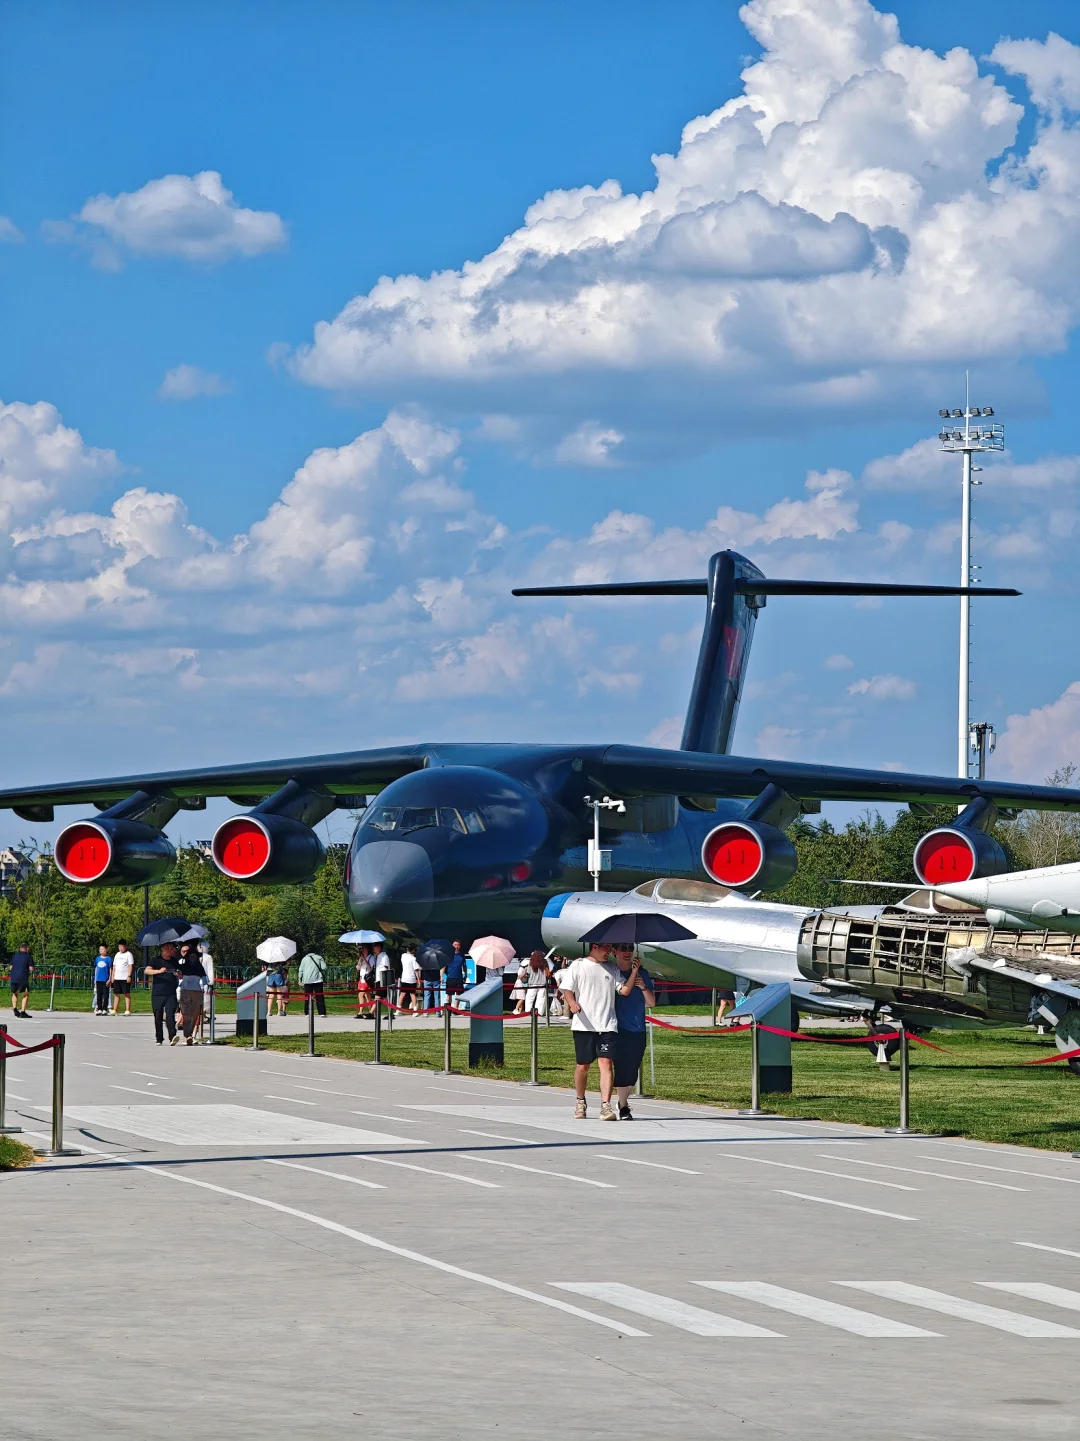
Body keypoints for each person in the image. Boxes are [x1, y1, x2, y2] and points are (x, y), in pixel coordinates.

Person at [560, 943, 619, 1121]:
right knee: (583, 1066)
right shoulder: (578, 965)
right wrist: (572, 1003)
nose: (609, 951)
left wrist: (634, 973)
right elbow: (567, 989)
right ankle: (580, 1101)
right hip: (584, 1024)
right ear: (594, 946)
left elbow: (622, 989)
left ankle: (606, 1106)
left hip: (607, 1024)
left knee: (606, 1063)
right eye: (606, 947)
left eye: (611, 947)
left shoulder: (611, 968)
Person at [612, 943, 655, 1120]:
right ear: (615, 951)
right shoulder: (612, 973)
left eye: (630, 948)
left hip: (638, 1028)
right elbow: (623, 993)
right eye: (623, 948)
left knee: (633, 1070)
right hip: (618, 1027)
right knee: (622, 1068)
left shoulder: (643, 974)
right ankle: (623, 1106)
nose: (627, 952)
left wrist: (643, 986)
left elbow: (652, 1003)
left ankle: (622, 1101)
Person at [145, 944, 181, 1045]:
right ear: (162, 949)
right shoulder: (155, 960)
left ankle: (172, 1036)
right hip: (158, 992)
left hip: (170, 993)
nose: (170, 951)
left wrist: (178, 974)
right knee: (158, 1015)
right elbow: (147, 970)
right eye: (168, 949)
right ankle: (159, 1038)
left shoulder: (174, 961)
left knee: (170, 1015)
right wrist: (158, 971)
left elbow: (180, 972)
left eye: (171, 949)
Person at [178, 949, 208, 1045]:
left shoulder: (199, 967)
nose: (193, 957)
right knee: (186, 1014)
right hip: (185, 991)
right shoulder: (183, 965)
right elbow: (178, 975)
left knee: (194, 1014)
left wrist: (206, 986)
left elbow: (204, 977)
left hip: (197, 992)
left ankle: (189, 1034)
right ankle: (187, 1035)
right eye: (191, 955)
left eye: (194, 956)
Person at [519, 951, 550, 1016]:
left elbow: (528, 973)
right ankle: (539, 1012)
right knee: (541, 999)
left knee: (529, 998)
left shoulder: (531, 962)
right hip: (542, 983)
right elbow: (548, 973)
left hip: (532, 983)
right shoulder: (544, 962)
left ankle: (528, 1012)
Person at [298, 951, 327, 1016]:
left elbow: (301, 970)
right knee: (319, 996)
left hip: (307, 980)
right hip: (317, 980)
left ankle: (307, 1013)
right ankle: (322, 1013)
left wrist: (299, 978)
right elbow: (324, 967)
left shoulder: (304, 959)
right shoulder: (319, 957)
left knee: (307, 997)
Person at [110, 941, 135, 1015]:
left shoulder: (128, 954)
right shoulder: (117, 954)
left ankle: (127, 1010)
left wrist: (129, 976)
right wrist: (112, 976)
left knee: (126, 993)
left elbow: (130, 965)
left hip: (125, 977)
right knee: (116, 994)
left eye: (122, 946)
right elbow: (114, 966)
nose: (120, 948)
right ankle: (115, 1010)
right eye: (119, 947)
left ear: (125, 946)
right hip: (117, 977)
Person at [9, 943, 32, 1018]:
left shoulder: (15, 956)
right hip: (23, 977)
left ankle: (15, 1009)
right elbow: (31, 968)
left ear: (20, 949)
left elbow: (11, 967)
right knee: (26, 993)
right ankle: (23, 1012)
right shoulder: (28, 956)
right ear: (26, 948)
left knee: (15, 993)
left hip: (14, 977)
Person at [442, 942, 467, 1007]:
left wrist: (466, 975)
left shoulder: (462, 955)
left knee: (459, 994)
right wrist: (441, 976)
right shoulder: (448, 955)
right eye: (455, 945)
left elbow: (464, 966)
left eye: (458, 945)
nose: (456, 946)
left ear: (460, 946)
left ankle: (455, 1009)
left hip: (459, 978)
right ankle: (448, 1009)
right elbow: (443, 966)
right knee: (449, 994)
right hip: (450, 978)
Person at [398, 947, 420, 1014]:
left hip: (404, 978)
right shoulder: (413, 959)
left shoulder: (403, 955)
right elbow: (416, 970)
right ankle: (415, 1011)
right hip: (411, 978)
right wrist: (418, 980)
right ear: (413, 951)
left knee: (402, 994)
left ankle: (398, 1009)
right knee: (412, 994)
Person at [92, 944, 112, 1015]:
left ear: (106, 950)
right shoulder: (97, 958)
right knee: (99, 995)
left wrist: (110, 979)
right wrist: (95, 978)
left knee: (106, 995)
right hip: (98, 979)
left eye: (103, 949)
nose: (101, 950)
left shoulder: (108, 959)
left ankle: (105, 1009)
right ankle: (99, 1008)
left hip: (105, 980)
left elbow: (110, 969)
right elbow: (96, 968)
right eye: (100, 949)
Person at [355, 945, 374, 1018]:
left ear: (368, 949)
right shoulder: (361, 958)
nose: (362, 950)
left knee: (361, 995)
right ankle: (371, 1012)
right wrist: (360, 961)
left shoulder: (371, 957)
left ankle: (360, 1012)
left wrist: (364, 960)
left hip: (366, 978)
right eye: (362, 949)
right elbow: (358, 968)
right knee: (367, 996)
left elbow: (370, 967)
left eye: (364, 948)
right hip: (361, 978)